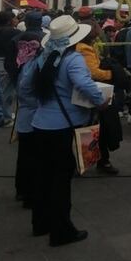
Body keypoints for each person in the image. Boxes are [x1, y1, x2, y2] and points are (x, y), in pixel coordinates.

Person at [18, 15, 108, 246]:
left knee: (43, 177)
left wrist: (38, 104)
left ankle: (40, 224)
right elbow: (84, 84)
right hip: (64, 126)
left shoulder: (42, 57)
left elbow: (25, 86)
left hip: (39, 124)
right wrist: (100, 101)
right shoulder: (72, 58)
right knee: (60, 179)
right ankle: (61, 231)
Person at [75, 22, 123, 174]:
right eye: (96, 28)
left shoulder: (87, 47)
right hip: (93, 93)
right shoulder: (84, 50)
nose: (99, 30)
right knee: (97, 128)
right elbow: (93, 72)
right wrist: (112, 74)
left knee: (95, 128)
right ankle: (97, 160)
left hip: (92, 92)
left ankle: (96, 159)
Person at [13, 12, 44, 207]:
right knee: (36, 154)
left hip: (24, 106)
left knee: (24, 154)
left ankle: (22, 189)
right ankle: (32, 192)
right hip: (36, 107)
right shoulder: (43, 40)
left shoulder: (16, 38)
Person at [0, 10, 20, 126]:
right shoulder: (14, 32)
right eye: (14, 18)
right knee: (6, 90)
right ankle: (6, 117)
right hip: (5, 62)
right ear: (9, 20)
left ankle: (1, 114)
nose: (17, 20)